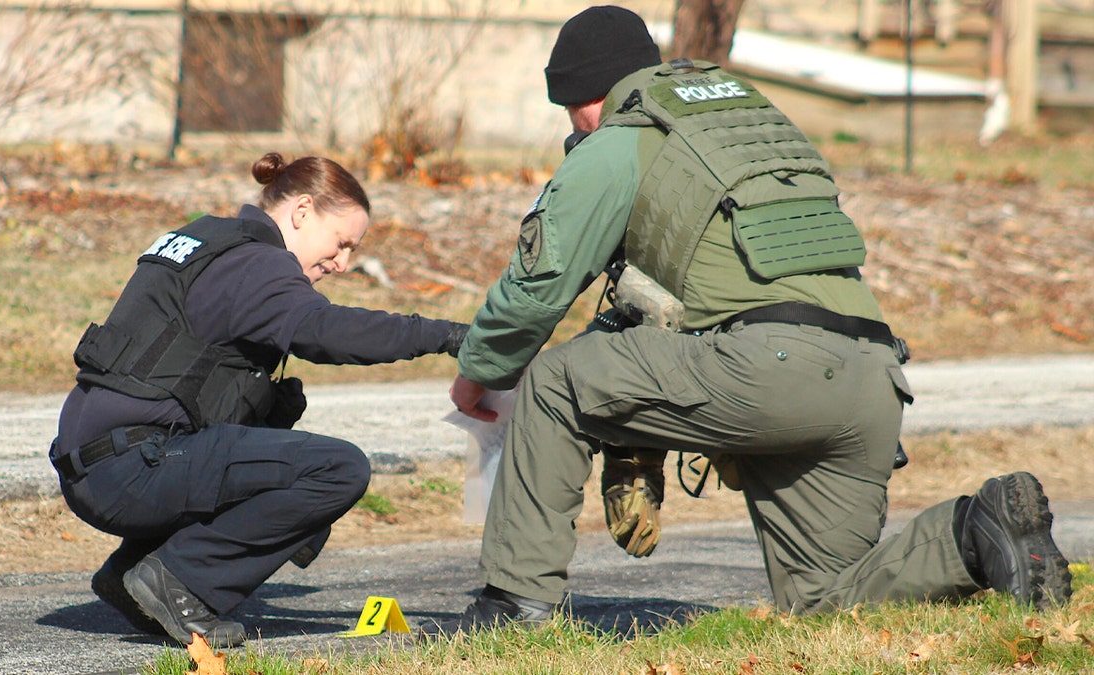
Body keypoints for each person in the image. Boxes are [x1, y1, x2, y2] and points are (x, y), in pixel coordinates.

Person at [425, 5, 1071, 634]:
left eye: (570, 109)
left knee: (555, 381)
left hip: (769, 371)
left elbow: (539, 284)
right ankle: (974, 530)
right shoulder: (740, 125)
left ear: (588, 96)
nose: (574, 124)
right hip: (872, 379)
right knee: (824, 602)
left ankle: (516, 604)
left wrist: (480, 369)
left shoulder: (623, 138)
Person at [50, 153, 468, 647]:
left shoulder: (209, 240)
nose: (344, 263)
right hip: (132, 466)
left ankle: (133, 572)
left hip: (99, 459)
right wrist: (449, 335)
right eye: (342, 243)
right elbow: (325, 330)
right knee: (337, 468)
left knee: (272, 430)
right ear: (303, 211)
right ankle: (176, 578)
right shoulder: (256, 263)